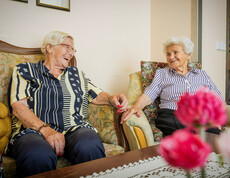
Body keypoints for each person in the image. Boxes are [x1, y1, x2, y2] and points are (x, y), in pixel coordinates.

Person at [7, 31, 129, 177]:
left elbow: (95, 94)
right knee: (37, 155)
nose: (71, 53)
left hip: (74, 129)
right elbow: (18, 107)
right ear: (50, 48)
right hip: (34, 131)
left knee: (89, 145)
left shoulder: (76, 74)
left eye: (73, 49)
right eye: (67, 47)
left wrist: (112, 98)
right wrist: (46, 130)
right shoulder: (26, 70)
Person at [121, 36, 223, 137]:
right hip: (171, 115)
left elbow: (218, 98)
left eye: (175, 52)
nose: (171, 57)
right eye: (168, 54)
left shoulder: (202, 75)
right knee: (199, 130)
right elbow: (150, 93)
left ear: (188, 55)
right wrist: (136, 106)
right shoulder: (162, 74)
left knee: (215, 133)